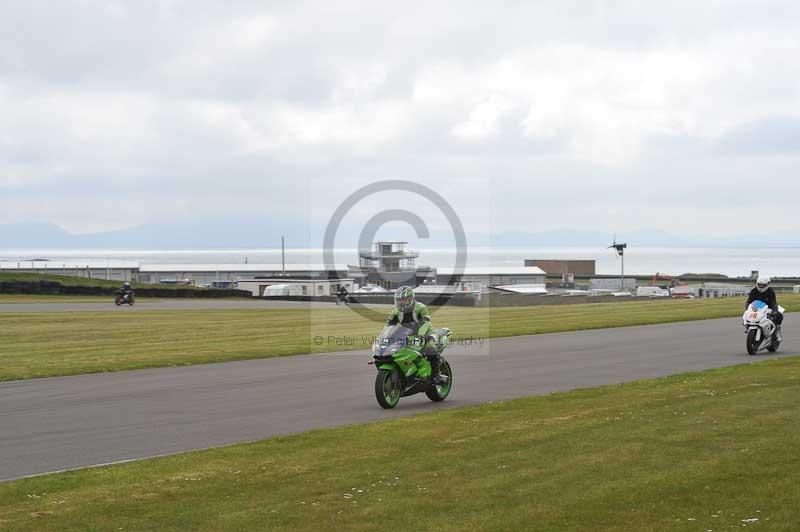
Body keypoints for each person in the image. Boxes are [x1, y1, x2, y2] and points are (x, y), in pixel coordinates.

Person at [386, 286, 447, 385]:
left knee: (430, 349)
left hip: (427, 333)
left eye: (403, 299)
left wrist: (421, 336)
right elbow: (389, 326)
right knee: (399, 351)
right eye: (398, 300)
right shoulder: (396, 312)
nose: (400, 302)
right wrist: (386, 337)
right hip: (409, 336)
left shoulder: (420, 307)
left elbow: (426, 323)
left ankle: (437, 376)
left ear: (410, 299)